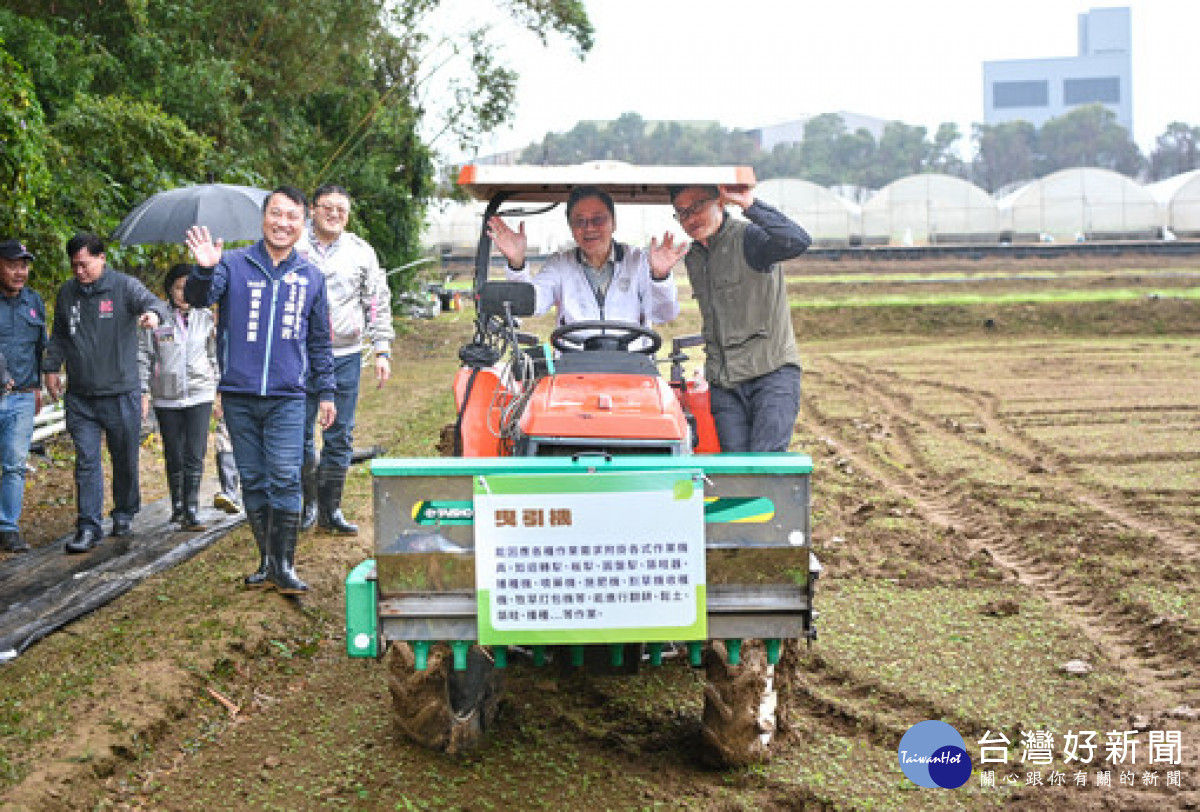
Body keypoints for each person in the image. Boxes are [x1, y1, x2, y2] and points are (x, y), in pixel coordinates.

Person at [184, 186, 336, 594]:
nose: (283, 223)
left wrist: (326, 392)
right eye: (276, 214)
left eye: (292, 217)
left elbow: (320, 341)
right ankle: (265, 560)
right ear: (263, 217)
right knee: (252, 478)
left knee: (285, 477)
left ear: (303, 224)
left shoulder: (311, 277)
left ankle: (285, 564)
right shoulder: (232, 263)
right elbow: (199, 299)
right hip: (239, 393)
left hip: (289, 396)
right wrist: (203, 268)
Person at [43, 233, 169, 553]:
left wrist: (152, 316)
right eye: (74, 266)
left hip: (120, 393)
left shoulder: (124, 287)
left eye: (85, 264)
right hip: (81, 395)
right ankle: (88, 525)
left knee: (124, 457)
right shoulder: (68, 293)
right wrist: (51, 367)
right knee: (86, 460)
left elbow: (154, 303)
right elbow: (58, 334)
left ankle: (124, 511)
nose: (80, 272)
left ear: (101, 258)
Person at [669, 184, 812, 452]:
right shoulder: (694, 257)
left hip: (769, 373)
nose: (691, 219)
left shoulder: (750, 239)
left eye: (697, 207)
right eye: (682, 213)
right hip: (725, 384)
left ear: (719, 202)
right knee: (735, 470)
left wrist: (751, 205)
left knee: (765, 465)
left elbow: (797, 241)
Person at [295, 184, 393, 535]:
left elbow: (377, 301)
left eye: (342, 209)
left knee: (340, 434)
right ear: (312, 209)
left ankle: (330, 510)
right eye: (327, 207)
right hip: (300, 354)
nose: (334, 214)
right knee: (300, 432)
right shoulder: (295, 246)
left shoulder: (360, 252)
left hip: (345, 354)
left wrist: (382, 350)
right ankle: (307, 506)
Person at [487, 185, 685, 334]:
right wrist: (516, 262)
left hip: (632, 364)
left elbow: (664, 315)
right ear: (571, 228)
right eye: (579, 221)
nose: (589, 228)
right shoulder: (560, 264)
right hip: (574, 364)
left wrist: (660, 276)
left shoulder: (638, 261)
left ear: (613, 223)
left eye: (598, 219)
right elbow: (533, 302)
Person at [139, 263, 218, 531]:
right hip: (166, 395)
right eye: (178, 287)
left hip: (200, 392)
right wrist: (144, 391)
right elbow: (145, 356)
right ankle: (178, 506)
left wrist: (218, 387)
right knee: (174, 452)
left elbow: (214, 354)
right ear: (169, 290)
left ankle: (192, 507)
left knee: (195, 453)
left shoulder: (206, 316)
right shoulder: (155, 318)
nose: (184, 293)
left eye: (189, 287)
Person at [0, 239, 47, 554]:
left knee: (15, 464)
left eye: (24, 265)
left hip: (23, 397)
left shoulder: (34, 301)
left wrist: (40, 386)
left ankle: (8, 527)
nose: (20, 272)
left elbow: (41, 347)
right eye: (12, 265)